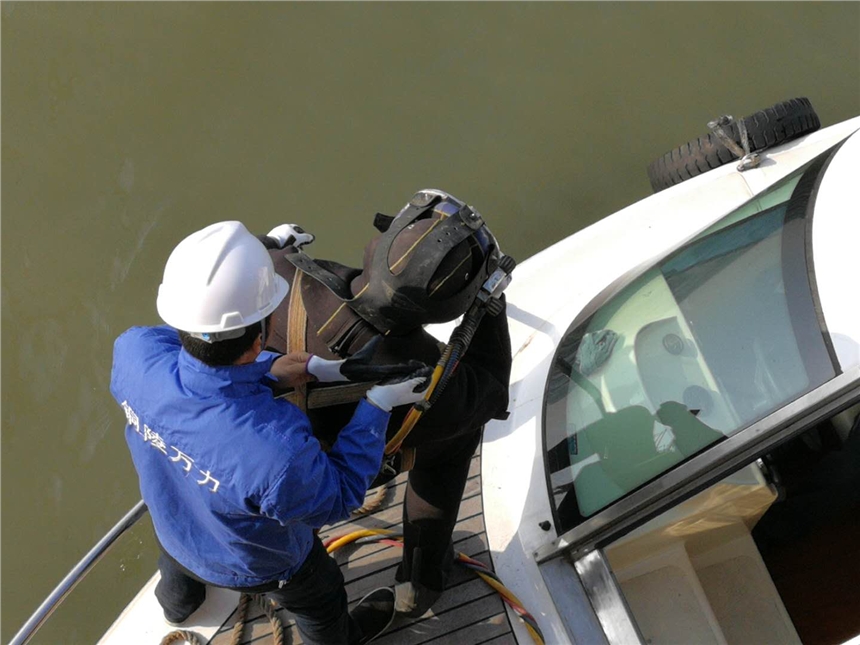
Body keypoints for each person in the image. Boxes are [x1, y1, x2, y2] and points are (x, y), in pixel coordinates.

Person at [110, 220, 431, 644]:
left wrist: (268, 369)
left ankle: (178, 606)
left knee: (178, 565)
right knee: (322, 599)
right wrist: (377, 406)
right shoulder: (279, 455)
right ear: (260, 338)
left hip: (175, 531)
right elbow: (340, 495)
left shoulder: (133, 352)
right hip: (260, 566)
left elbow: (194, 357)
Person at [260, 189, 513, 618]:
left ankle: (184, 594)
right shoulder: (435, 377)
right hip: (353, 464)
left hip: (270, 456)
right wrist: (491, 301)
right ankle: (420, 579)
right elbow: (492, 392)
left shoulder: (277, 272)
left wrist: (273, 245)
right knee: (455, 439)